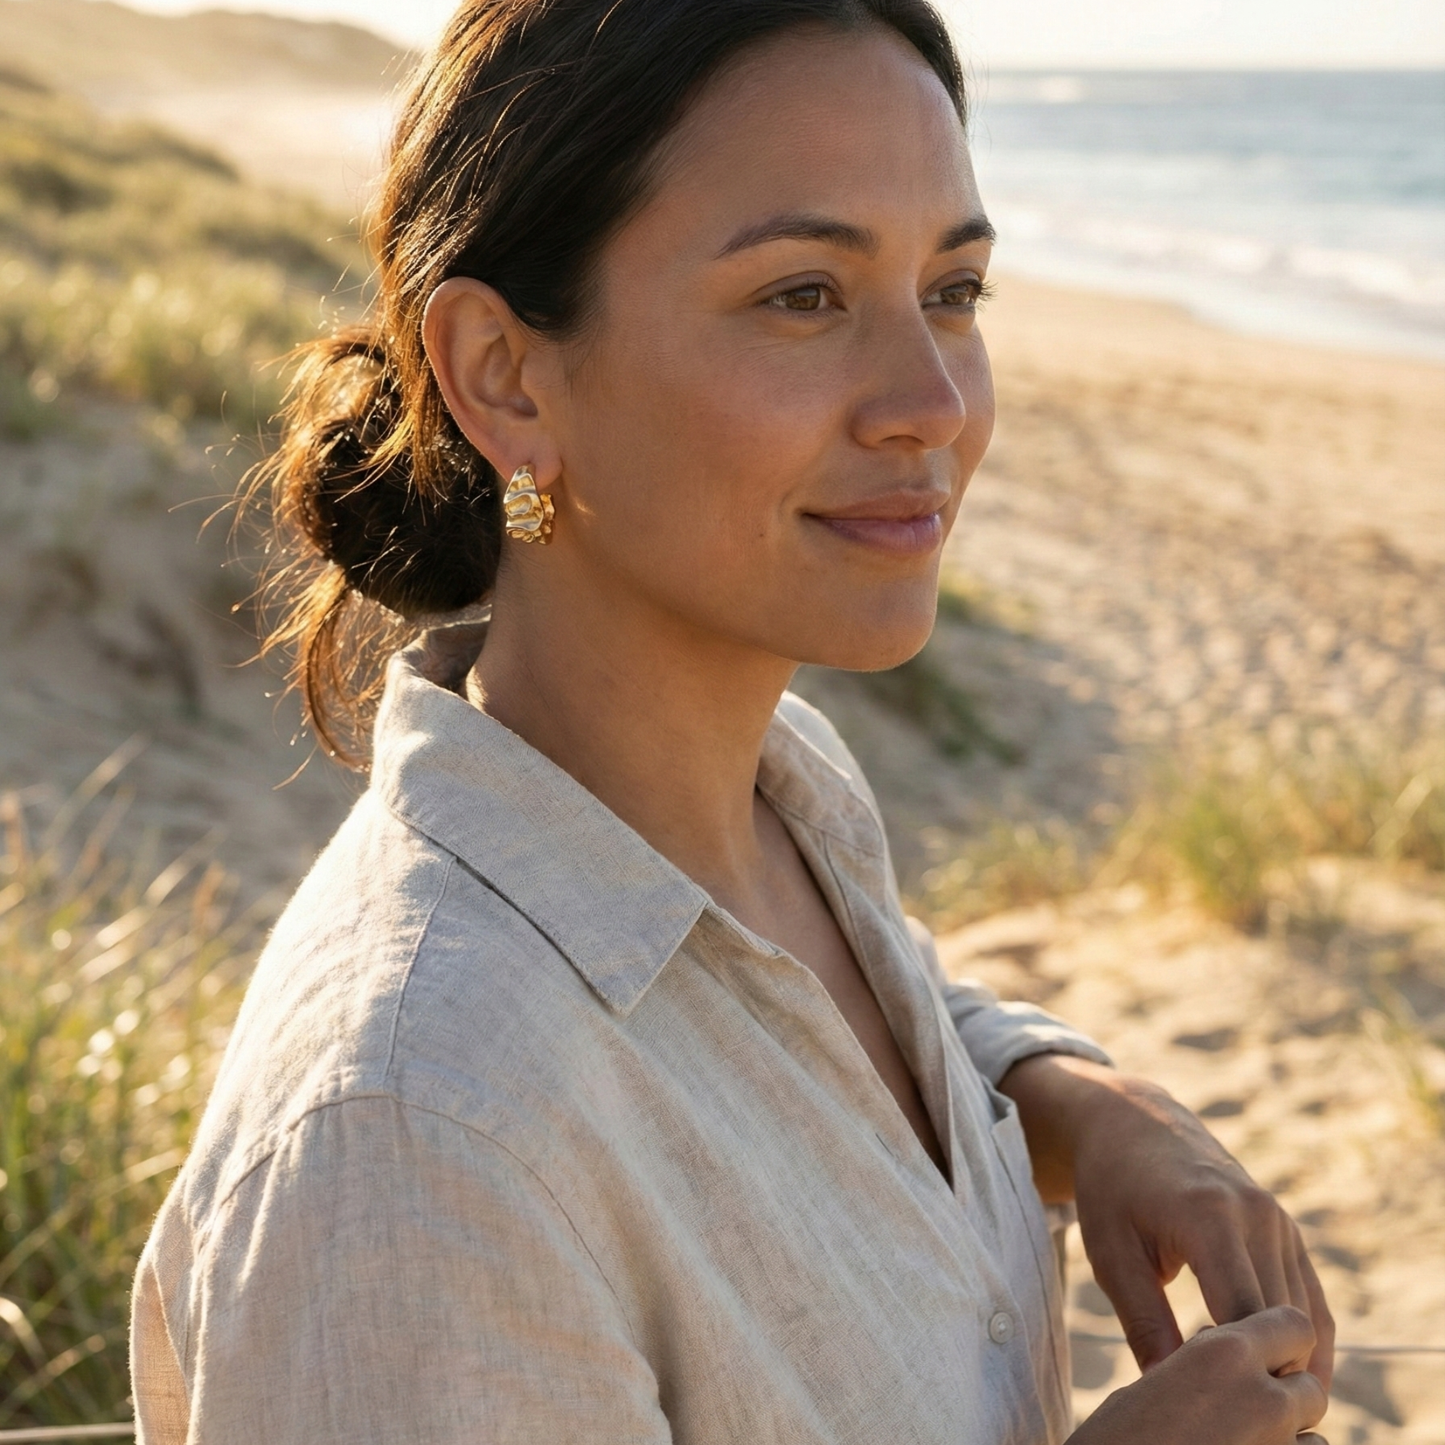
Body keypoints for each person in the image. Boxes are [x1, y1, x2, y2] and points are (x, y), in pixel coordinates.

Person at [129, 2, 1334, 1441]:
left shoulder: (777, 788)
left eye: (953, 291)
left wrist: (1071, 1100)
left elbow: (788, 1051)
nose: (932, 404)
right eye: (803, 296)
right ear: (506, 378)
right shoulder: (411, 1142)